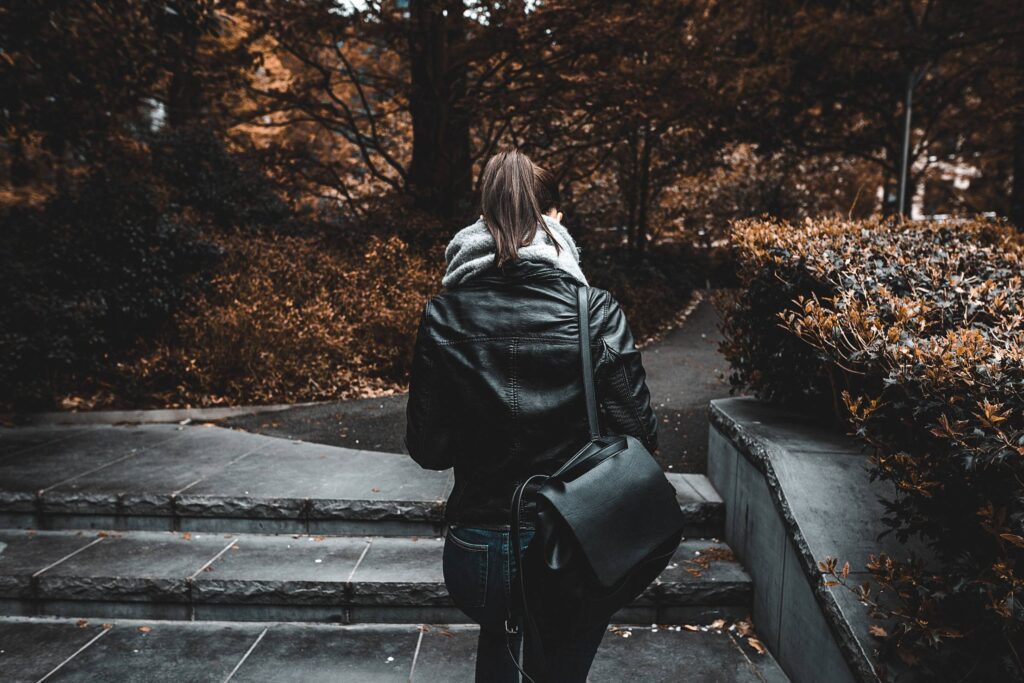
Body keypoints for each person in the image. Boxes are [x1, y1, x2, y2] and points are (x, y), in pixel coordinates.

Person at [405, 149, 658, 682]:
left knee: (501, 652)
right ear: (550, 219)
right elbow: (639, 435)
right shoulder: (594, 311)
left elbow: (429, 450)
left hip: (479, 548)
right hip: (576, 539)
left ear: (481, 217)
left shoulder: (443, 315)